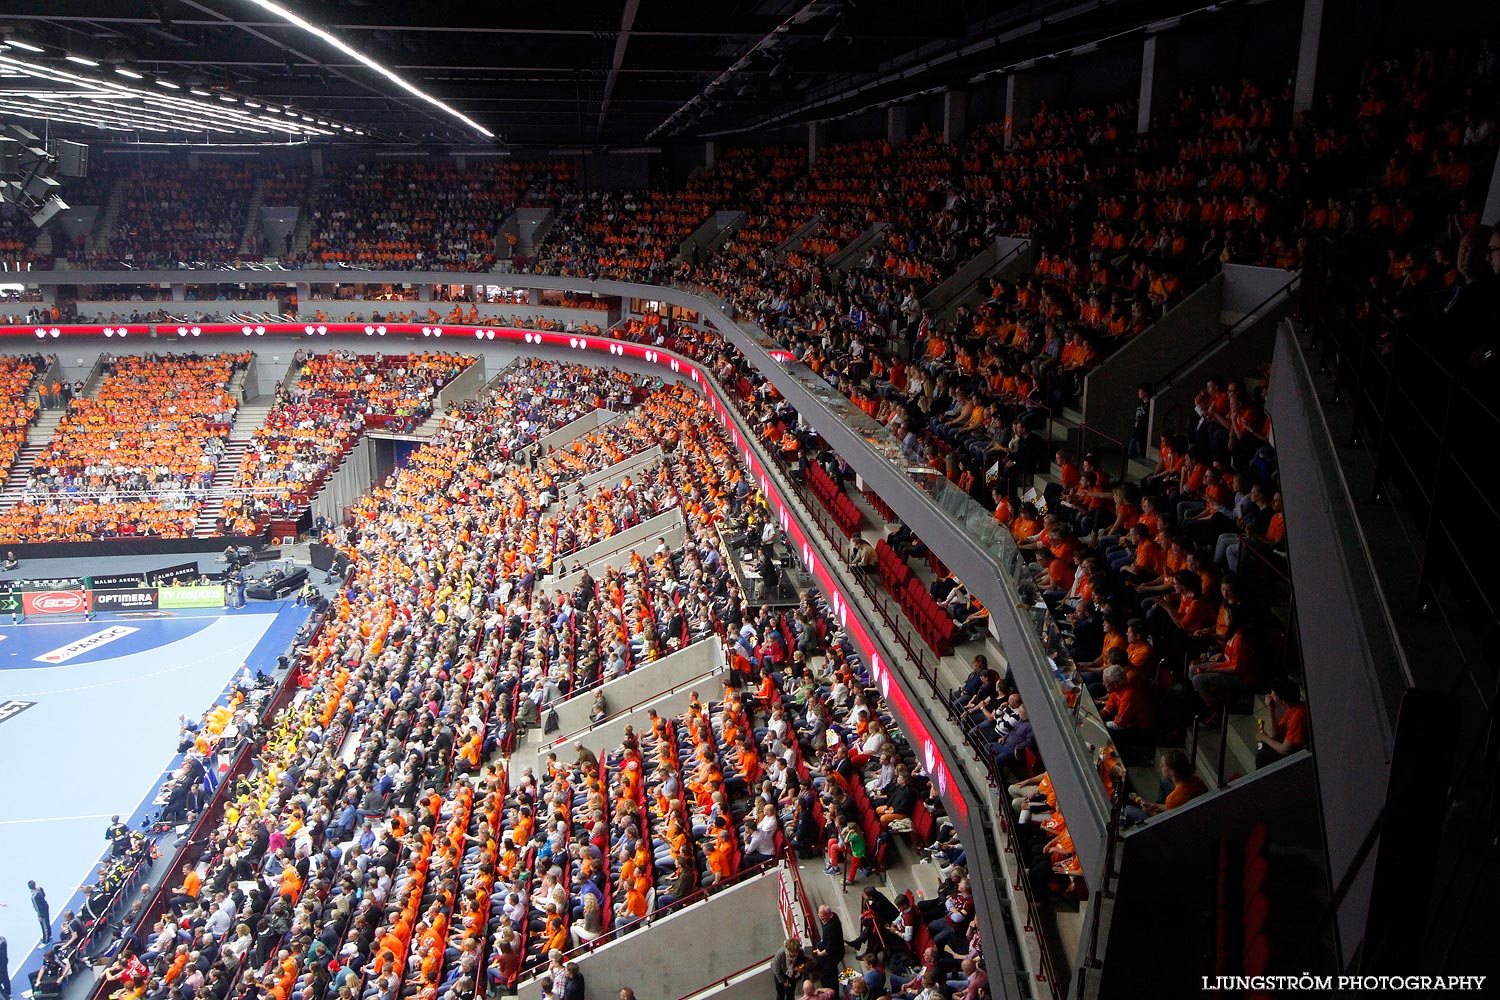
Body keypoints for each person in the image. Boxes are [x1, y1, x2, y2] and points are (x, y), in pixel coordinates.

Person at [1255, 677, 1309, 768]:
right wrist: (1271, 709)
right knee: (1264, 747)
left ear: (1282, 699)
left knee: (1262, 756)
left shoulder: (1298, 715)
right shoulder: (1291, 710)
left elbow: (1284, 749)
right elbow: (1277, 733)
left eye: (1273, 694)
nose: (1270, 696)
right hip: (1291, 745)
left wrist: (1264, 738)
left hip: (1300, 753)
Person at [1142, 750, 1207, 815]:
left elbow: (1168, 822)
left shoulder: (1172, 799)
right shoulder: (1196, 780)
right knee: (1164, 780)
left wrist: (1151, 813)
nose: (1160, 766)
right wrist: (1156, 806)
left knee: (1131, 810)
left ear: (1171, 772)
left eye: (1162, 765)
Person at [812, 905, 844, 988]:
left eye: (822, 916)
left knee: (828, 975)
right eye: (819, 915)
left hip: (833, 955)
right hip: (831, 950)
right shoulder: (832, 917)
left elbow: (829, 949)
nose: (820, 918)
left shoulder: (832, 928)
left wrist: (819, 953)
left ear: (829, 914)